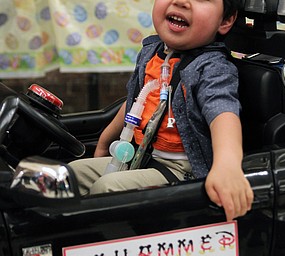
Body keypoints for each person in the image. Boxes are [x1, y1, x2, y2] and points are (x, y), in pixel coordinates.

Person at [69, 0, 254, 221]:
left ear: (225, 20)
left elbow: (223, 114)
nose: (181, 2)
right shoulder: (152, 52)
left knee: (107, 189)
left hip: (180, 170)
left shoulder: (212, 69)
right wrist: (104, 142)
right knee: (70, 176)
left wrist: (228, 165)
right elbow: (136, 101)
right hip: (140, 155)